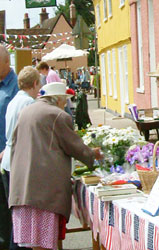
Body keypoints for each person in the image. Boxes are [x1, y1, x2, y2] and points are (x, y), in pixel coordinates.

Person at [9, 82, 102, 250]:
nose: (65, 104)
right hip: (43, 192)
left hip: (22, 187)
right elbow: (74, 146)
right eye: (64, 100)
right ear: (58, 99)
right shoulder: (58, 115)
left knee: (33, 243)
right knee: (44, 243)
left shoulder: (26, 111)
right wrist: (92, 155)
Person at [1, 66, 40, 250]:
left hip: (9, 159)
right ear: (34, 83)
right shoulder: (29, 104)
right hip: (19, 161)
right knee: (22, 217)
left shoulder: (14, 101)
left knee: (16, 216)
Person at [0, 44, 19, 250]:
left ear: (7, 62)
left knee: (9, 208)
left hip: (8, 158)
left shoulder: (16, 86)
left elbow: (21, 120)